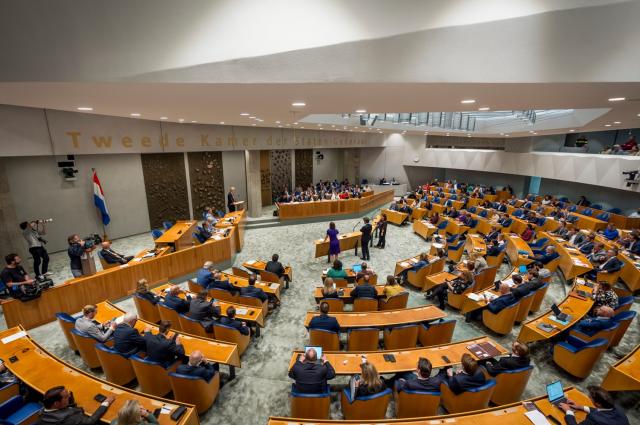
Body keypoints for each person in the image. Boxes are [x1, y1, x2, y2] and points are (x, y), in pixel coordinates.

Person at [39, 385, 115, 425]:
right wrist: (106, 403)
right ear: (56, 403)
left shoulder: (44, 410)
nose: (69, 396)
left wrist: (67, 397)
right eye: (66, 397)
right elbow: (89, 421)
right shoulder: (68, 419)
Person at [559, 385, 629, 425]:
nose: (589, 398)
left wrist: (568, 411)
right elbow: (602, 411)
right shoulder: (618, 409)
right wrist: (580, 407)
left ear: (598, 404)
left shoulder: (594, 419)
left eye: (590, 398)